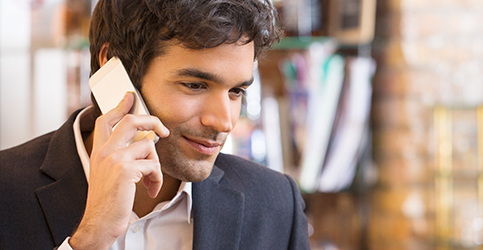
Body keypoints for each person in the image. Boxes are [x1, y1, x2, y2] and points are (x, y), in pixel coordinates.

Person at [0, 0, 310, 249]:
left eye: (236, 91)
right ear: (114, 66)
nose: (224, 121)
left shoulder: (274, 204)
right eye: (195, 85)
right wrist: (90, 240)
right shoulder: (6, 191)